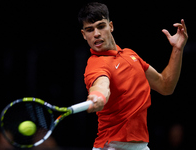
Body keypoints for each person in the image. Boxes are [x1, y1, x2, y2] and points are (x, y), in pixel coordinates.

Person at [78, 2, 188, 150]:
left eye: (101, 26)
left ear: (111, 26)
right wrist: (98, 96)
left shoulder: (130, 55)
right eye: (90, 30)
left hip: (141, 146)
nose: (96, 33)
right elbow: (101, 85)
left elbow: (165, 86)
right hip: (112, 146)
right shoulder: (96, 65)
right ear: (84, 35)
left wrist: (177, 49)